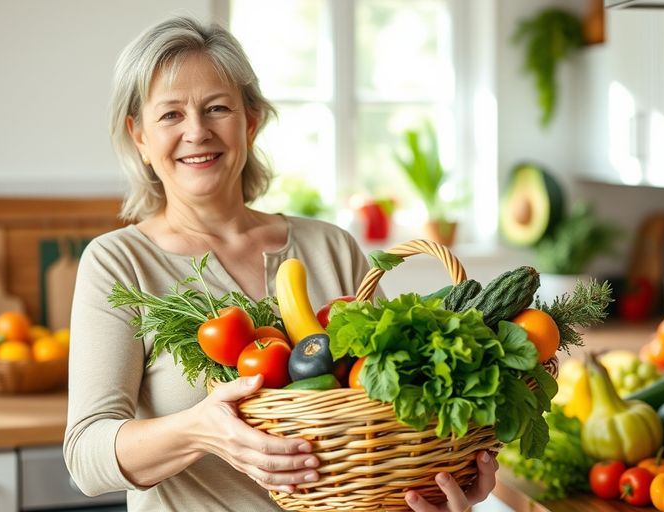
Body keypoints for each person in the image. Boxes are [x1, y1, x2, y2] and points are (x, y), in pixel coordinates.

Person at [63, 15, 498, 512]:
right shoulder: (119, 262)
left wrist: (440, 482)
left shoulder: (332, 247)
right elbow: (86, 454)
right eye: (170, 116)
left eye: (217, 108)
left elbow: (387, 412)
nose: (197, 132)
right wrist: (202, 430)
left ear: (251, 121)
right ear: (138, 135)